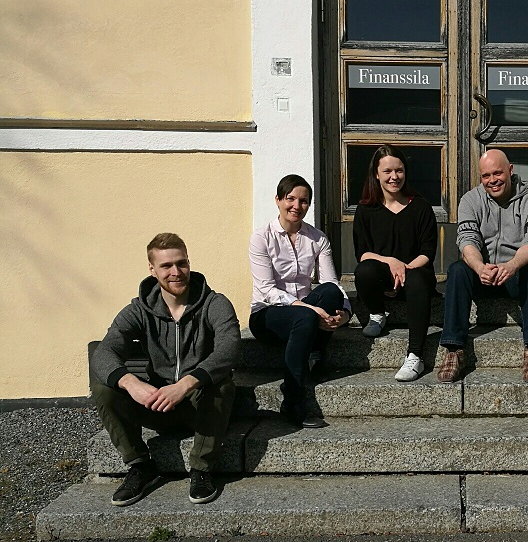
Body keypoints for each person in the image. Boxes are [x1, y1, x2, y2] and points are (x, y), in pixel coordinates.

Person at [90, 233, 239, 507]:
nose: (176, 272)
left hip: (200, 404)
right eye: (166, 266)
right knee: (104, 388)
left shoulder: (214, 303)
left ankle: (202, 469)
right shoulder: (139, 310)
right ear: (152, 269)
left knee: (222, 384)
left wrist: (185, 384)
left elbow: (229, 349)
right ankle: (140, 465)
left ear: (189, 263)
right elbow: (104, 352)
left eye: (181, 263)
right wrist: (131, 383)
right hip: (157, 404)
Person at [248, 174, 351, 429]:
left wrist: (346, 314)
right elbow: (267, 290)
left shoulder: (317, 238)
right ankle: (292, 400)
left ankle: (313, 350)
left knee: (330, 292)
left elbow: (332, 283)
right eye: (290, 199)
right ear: (278, 200)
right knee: (305, 315)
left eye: (303, 201)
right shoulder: (261, 238)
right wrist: (307, 308)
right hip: (267, 315)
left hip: (305, 314)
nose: (296, 206)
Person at [437, 149, 528, 383]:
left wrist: (512, 265)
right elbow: (466, 239)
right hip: (483, 274)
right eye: (486, 175)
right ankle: (454, 349)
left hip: (515, 274)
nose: (492, 180)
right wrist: (479, 267)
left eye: (498, 173)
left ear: (510, 170)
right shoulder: (470, 200)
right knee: (457, 270)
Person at [353, 145, 438, 381]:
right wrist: (392, 262)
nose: (394, 177)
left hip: (415, 274)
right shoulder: (365, 209)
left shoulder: (420, 206)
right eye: (387, 171)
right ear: (376, 174)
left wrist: (404, 269)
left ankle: (415, 355)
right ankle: (377, 314)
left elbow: (428, 252)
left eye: (399, 170)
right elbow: (363, 254)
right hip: (382, 278)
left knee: (419, 278)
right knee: (365, 271)